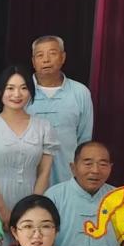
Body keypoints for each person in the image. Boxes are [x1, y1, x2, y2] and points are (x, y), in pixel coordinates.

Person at [0, 65, 59, 230]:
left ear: (31, 92)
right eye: (10, 88)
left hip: (32, 197)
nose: (17, 94)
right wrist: (2, 210)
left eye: (23, 88)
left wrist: (32, 209)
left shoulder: (44, 127)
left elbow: (44, 171)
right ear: (1, 91)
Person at [44, 141, 118, 246]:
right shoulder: (54, 196)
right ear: (73, 167)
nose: (95, 170)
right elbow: (44, 243)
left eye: (103, 164)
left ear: (110, 168)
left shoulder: (118, 197)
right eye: (88, 163)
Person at [27, 35, 94, 184]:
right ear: (33, 61)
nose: (46, 60)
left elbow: (84, 140)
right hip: (28, 178)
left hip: (67, 177)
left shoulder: (80, 92)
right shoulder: (21, 91)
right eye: (40, 55)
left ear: (63, 57)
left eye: (52, 53)